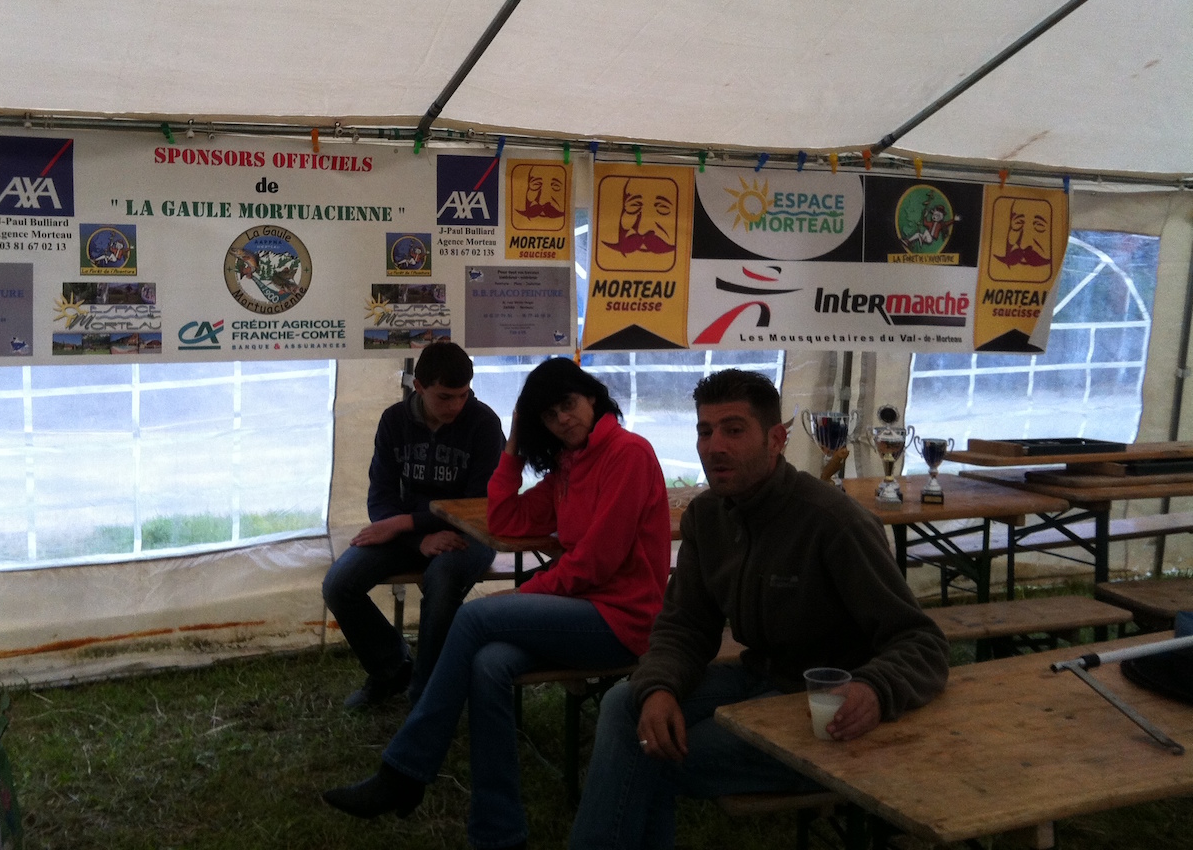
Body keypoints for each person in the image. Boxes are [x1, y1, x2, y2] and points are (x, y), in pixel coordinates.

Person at [570, 369, 950, 850]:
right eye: (705, 431)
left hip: (825, 706)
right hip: (758, 676)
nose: (714, 447)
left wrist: (874, 689)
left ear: (776, 440)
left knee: (660, 751)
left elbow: (922, 641)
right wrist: (660, 687)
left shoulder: (832, 522)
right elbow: (685, 625)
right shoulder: (708, 515)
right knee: (627, 705)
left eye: (733, 430)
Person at [323, 358, 672, 850]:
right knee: (488, 665)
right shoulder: (569, 465)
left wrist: (523, 596)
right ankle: (498, 832)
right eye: (549, 416)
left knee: (475, 618)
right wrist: (513, 449)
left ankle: (404, 771)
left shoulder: (628, 454)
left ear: (592, 398)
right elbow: (505, 519)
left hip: (623, 619)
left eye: (568, 405)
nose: (563, 419)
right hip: (578, 612)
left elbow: (596, 563)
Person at [322, 340, 505, 709]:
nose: (456, 406)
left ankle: (427, 696)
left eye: (463, 395)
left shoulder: (484, 424)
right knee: (339, 584)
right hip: (408, 534)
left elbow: (477, 504)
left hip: (470, 532)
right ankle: (391, 669)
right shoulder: (394, 420)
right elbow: (380, 497)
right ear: (418, 387)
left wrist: (408, 523)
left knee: (442, 579)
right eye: (445, 397)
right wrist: (417, 537)